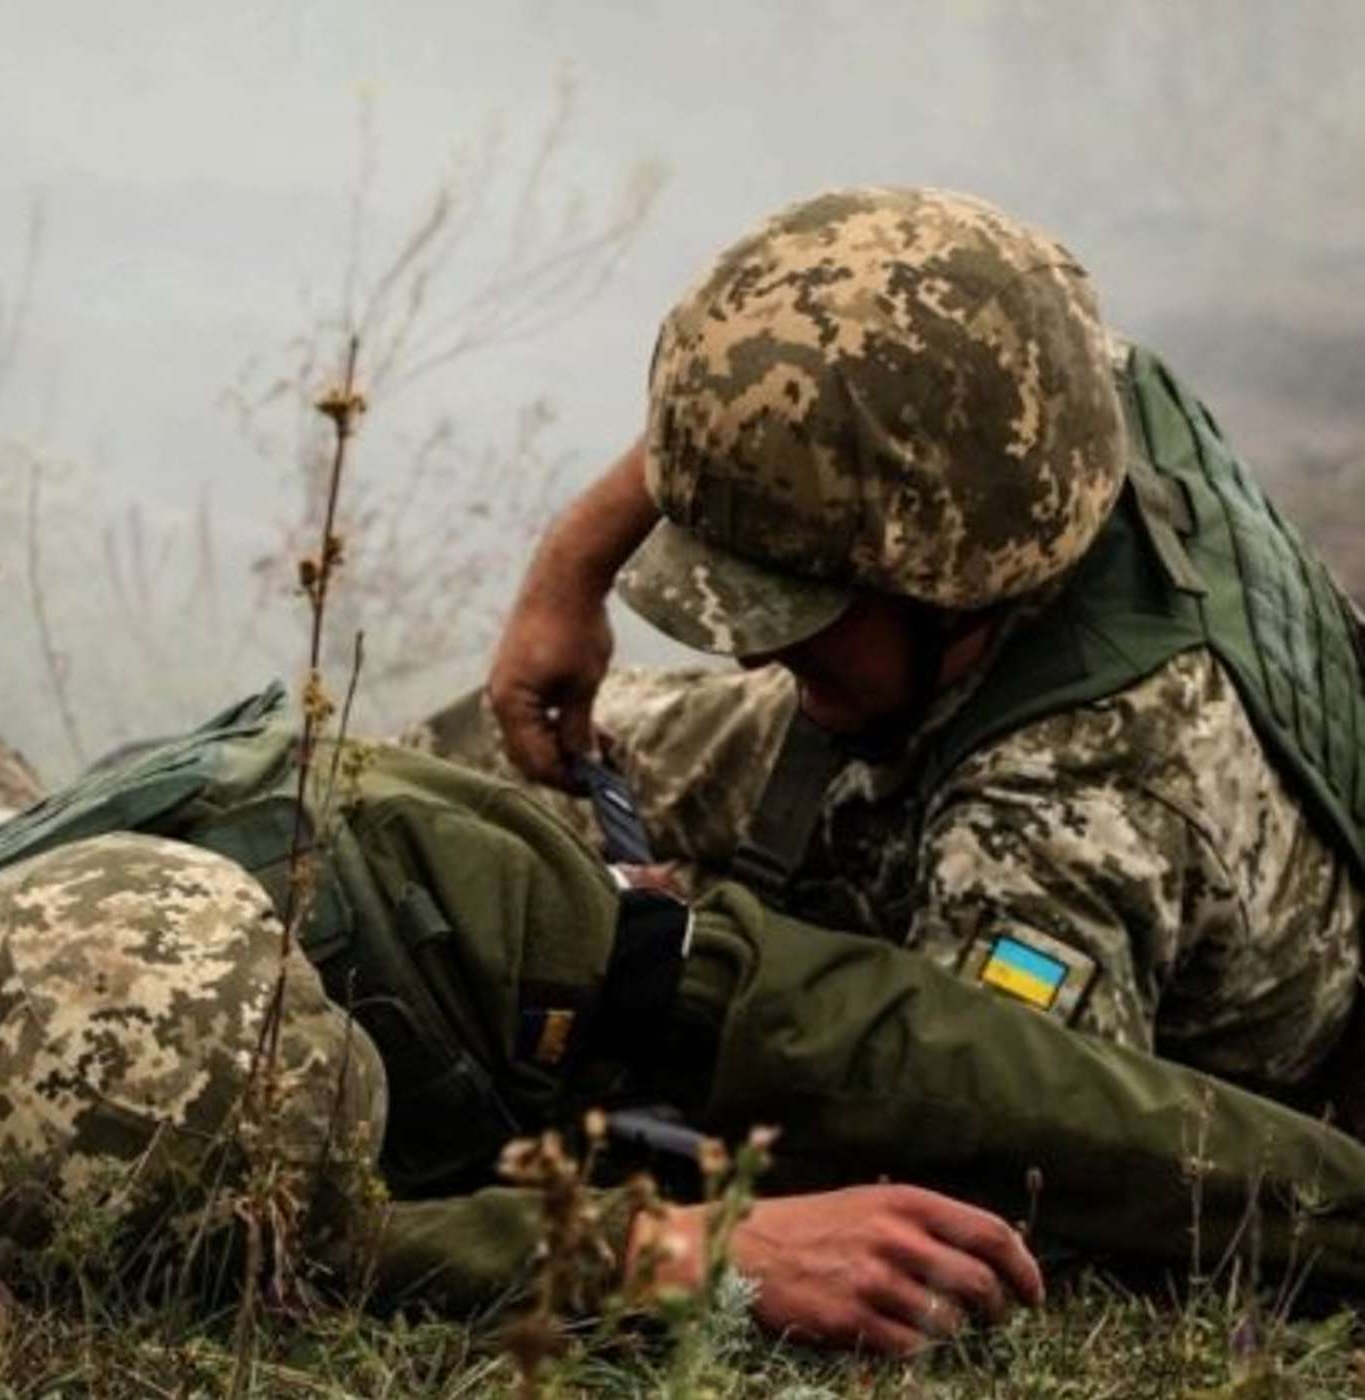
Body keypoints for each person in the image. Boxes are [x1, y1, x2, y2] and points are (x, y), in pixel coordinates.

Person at [0, 697, 1365, 1359]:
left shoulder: (400, 887)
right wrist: (685, 1247)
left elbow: (859, 1034)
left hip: (514, 932)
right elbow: (325, 1246)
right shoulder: (59, 1140)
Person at [419, 185, 1365, 1124]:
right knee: (476, 777)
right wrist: (571, 573)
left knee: (566, 953)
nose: (754, 657)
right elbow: (792, 393)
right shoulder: (1030, 397)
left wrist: (676, 974)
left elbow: (969, 1174)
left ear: (947, 580)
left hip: (1102, 1003)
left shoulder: (1063, 828)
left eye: (797, 608)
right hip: (941, 705)